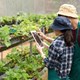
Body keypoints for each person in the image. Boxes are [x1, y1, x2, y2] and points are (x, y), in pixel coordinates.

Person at [57, 4, 80, 80]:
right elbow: (64, 44)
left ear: (68, 17)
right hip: (71, 70)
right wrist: (45, 37)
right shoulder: (70, 29)